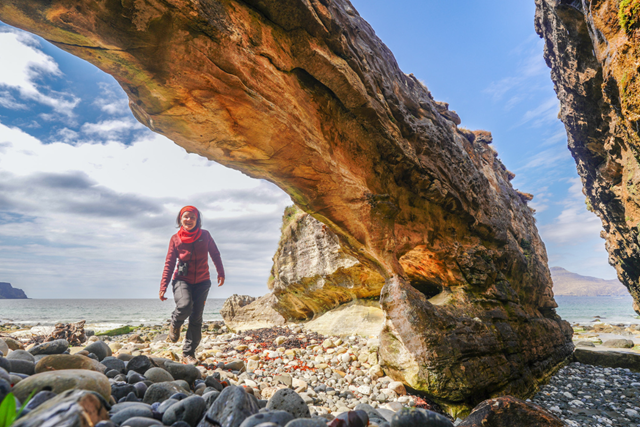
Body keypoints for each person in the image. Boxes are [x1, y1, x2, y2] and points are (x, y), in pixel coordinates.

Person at [160, 205, 225, 364]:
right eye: (186, 217)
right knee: (185, 305)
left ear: (197, 220)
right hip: (182, 280)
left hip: (202, 282)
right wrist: (163, 286)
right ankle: (175, 323)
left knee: (196, 318)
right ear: (180, 219)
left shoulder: (205, 235)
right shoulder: (175, 239)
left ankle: (188, 354)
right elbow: (169, 263)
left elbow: (215, 254)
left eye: (192, 217)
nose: (189, 220)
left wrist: (221, 272)